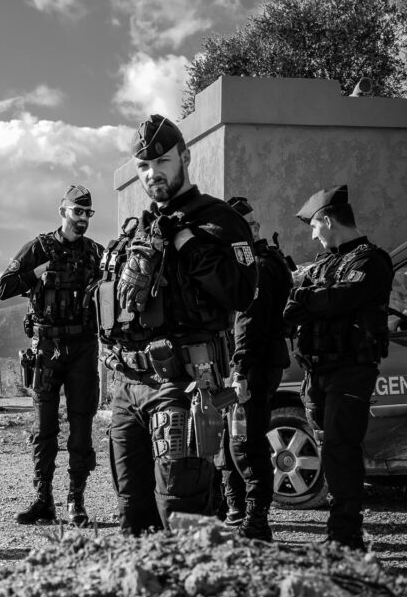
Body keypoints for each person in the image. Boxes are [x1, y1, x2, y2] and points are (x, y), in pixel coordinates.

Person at [95, 114, 257, 536]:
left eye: (162, 162)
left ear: (185, 157)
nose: (152, 174)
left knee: (182, 513)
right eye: (144, 166)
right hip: (128, 386)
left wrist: (186, 243)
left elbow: (241, 291)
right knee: (132, 510)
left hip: (182, 382)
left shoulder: (216, 220)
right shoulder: (143, 227)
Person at [284, 185, 392, 551]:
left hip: (351, 370)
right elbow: (300, 296)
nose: (313, 235)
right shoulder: (326, 262)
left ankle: (345, 536)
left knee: (341, 449)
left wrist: (303, 297)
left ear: (327, 220)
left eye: (314, 226)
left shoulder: (370, 260)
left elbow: (340, 299)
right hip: (317, 372)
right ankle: (339, 531)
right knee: (328, 447)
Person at [0, 185, 104, 526]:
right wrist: (37, 272)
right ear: (63, 211)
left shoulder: (96, 253)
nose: (83, 218)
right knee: (44, 429)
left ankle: (76, 499)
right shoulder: (39, 248)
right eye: (78, 212)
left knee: (82, 427)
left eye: (88, 213)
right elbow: (4, 287)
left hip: (84, 349)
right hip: (47, 348)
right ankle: (43, 499)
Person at [217, 196, 293, 541]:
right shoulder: (253, 262)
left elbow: (248, 321)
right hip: (248, 364)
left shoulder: (259, 265)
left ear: (252, 229)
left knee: (246, 443)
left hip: (254, 367)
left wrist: (241, 369)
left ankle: (256, 521)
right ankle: (235, 512)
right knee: (230, 439)